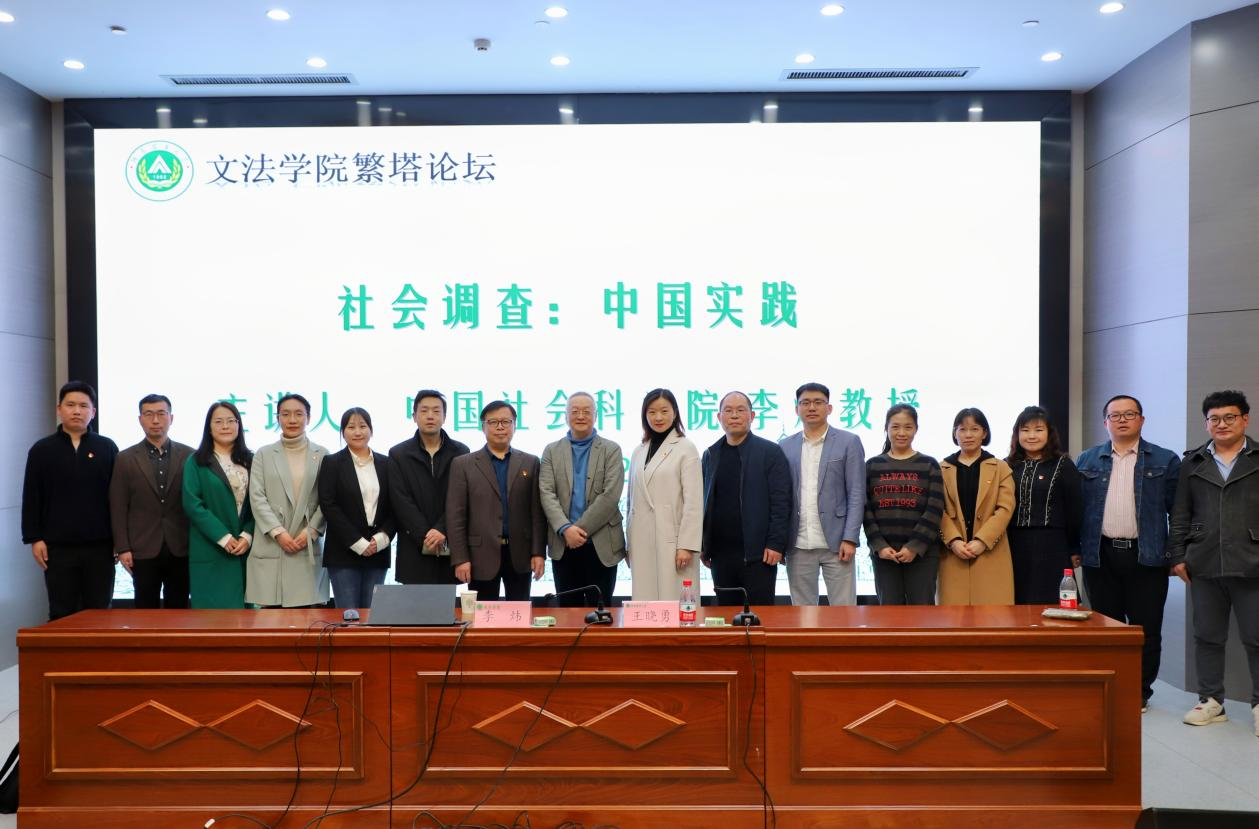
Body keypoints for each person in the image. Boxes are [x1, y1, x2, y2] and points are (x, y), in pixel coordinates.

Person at [1077, 394, 1180, 713]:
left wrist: (1176, 554)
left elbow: (1178, 512)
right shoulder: (1087, 460)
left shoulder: (1165, 460)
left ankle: (1139, 691)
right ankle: (1111, 687)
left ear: (1142, 420)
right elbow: (1076, 510)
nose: (1122, 420)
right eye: (1115, 415)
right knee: (1106, 629)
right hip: (1100, 555)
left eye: (1129, 414)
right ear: (1105, 422)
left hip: (1147, 556)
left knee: (1145, 629)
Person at [1168, 389, 1259, 734]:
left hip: (1252, 561)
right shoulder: (1192, 463)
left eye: (1229, 417)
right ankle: (1211, 701)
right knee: (1207, 636)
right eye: (1214, 419)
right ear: (1206, 423)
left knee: (1256, 637)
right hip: (1203, 561)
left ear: (1245, 419)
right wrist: (1178, 555)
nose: (1222, 424)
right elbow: (1180, 513)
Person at [22, 381, 119, 620]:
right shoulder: (42, 450)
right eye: (71, 405)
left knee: (99, 611)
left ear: (93, 412)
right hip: (57, 547)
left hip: (100, 546)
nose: (77, 411)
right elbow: (32, 496)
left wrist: (120, 540)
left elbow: (117, 498)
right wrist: (34, 538)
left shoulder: (107, 447)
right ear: (59, 409)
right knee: (61, 611)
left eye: (84, 406)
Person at [446, 401, 546, 601]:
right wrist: (460, 558)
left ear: (514, 425)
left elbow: (537, 512)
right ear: (483, 427)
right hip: (480, 555)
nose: (500, 427)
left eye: (506, 422)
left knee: (518, 613)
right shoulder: (463, 464)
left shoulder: (530, 462)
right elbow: (456, 515)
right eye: (493, 422)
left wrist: (538, 552)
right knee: (483, 615)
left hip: (520, 554)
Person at [701, 391, 792, 606]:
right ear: (719, 417)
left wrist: (776, 544)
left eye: (740, 410)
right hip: (721, 555)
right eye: (728, 411)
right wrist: (704, 544)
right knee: (726, 615)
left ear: (752, 416)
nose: (734, 415)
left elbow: (782, 502)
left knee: (760, 616)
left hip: (759, 555)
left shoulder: (770, 452)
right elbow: (704, 503)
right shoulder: (710, 454)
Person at [780, 382, 866, 606]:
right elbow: (781, 497)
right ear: (796, 409)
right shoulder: (784, 446)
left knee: (843, 611)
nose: (811, 407)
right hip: (798, 543)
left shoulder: (849, 442)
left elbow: (856, 493)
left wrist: (850, 538)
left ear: (829, 408)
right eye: (805, 403)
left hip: (837, 543)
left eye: (818, 402)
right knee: (803, 613)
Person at [539, 392, 626, 607]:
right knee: (568, 611)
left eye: (586, 411)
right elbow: (546, 493)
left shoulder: (611, 449)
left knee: (601, 611)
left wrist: (577, 530)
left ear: (595, 416)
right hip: (564, 544)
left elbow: (610, 495)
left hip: (602, 544)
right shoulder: (551, 451)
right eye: (575, 411)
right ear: (565, 416)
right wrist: (565, 529)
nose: (580, 416)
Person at [108, 394, 194, 608]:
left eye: (161, 414)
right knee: (145, 609)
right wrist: (123, 548)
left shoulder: (189, 455)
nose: (155, 420)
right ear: (140, 419)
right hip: (142, 547)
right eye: (148, 414)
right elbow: (118, 506)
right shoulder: (125, 458)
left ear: (171, 418)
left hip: (181, 546)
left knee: (179, 609)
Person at [247, 393, 329, 608]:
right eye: (285, 414)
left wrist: (311, 531)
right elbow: (257, 497)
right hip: (272, 543)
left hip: (306, 543)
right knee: (270, 619)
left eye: (299, 414)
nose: (292, 420)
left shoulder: (322, 454)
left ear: (309, 418)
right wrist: (278, 532)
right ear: (277, 418)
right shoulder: (263, 454)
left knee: (309, 616)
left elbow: (327, 500)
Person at [862, 404, 944, 605]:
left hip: (923, 554)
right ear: (886, 429)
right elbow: (865, 510)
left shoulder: (929, 465)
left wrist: (914, 547)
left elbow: (934, 509)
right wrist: (880, 546)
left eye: (908, 427)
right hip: (884, 555)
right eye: (895, 427)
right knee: (890, 614)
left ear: (916, 429)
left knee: (922, 613)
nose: (901, 433)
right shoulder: (872, 466)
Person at [627, 389, 703, 601]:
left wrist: (687, 545)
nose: (658, 417)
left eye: (664, 411)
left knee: (677, 602)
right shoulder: (638, 451)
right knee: (645, 603)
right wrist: (629, 544)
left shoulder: (686, 448)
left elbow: (694, 502)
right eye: (651, 412)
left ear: (675, 413)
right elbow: (631, 501)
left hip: (673, 542)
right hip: (642, 539)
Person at [388, 390, 469, 584]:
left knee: (446, 601)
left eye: (436, 411)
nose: (430, 416)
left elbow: (462, 498)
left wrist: (441, 529)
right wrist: (426, 536)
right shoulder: (399, 454)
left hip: (448, 542)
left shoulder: (461, 452)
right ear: (414, 416)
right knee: (414, 602)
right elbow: (400, 500)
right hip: (413, 545)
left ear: (445, 417)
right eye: (424, 411)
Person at [318, 408, 395, 609]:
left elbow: (395, 505)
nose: (357, 432)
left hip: (377, 550)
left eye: (363, 426)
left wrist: (381, 538)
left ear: (371, 430)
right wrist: (357, 542)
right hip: (343, 551)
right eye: (351, 427)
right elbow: (328, 505)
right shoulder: (332, 462)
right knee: (348, 616)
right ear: (343, 432)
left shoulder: (386, 463)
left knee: (373, 614)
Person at [1005, 406, 1082, 605]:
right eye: (1025, 430)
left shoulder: (1063, 465)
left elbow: (1075, 510)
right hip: (1013, 544)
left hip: (1053, 545)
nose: (1031, 436)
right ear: (1017, 434)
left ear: (1049, 433)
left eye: (1038, 430)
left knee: (1053, 604)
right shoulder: (1006, 466)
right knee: (1015, 602)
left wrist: (1074, 547)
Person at [939, 407, 1015, 606]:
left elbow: (1005, 508)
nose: (968, 435)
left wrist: (982, 540)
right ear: (955, 433)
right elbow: (938, 509)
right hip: (953, 554)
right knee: (953, 618)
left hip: (991, 552)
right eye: (962, 429)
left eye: (975, 429)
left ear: (984, 433)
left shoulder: (1000, 467)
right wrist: (953, 540)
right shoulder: (941, 468)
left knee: (993, 617)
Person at [182, 401, 254, 609]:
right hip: (210, 547)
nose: (225, 426)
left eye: (231, 421)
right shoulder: (196, 461)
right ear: (209, 427)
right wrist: (223, 537)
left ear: (239, 425)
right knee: (212, 617)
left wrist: (248, 535)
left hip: (245, 550)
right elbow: (193, 504)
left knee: (246, 616)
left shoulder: (251, 460)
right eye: (219, 421)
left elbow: (259, 502)